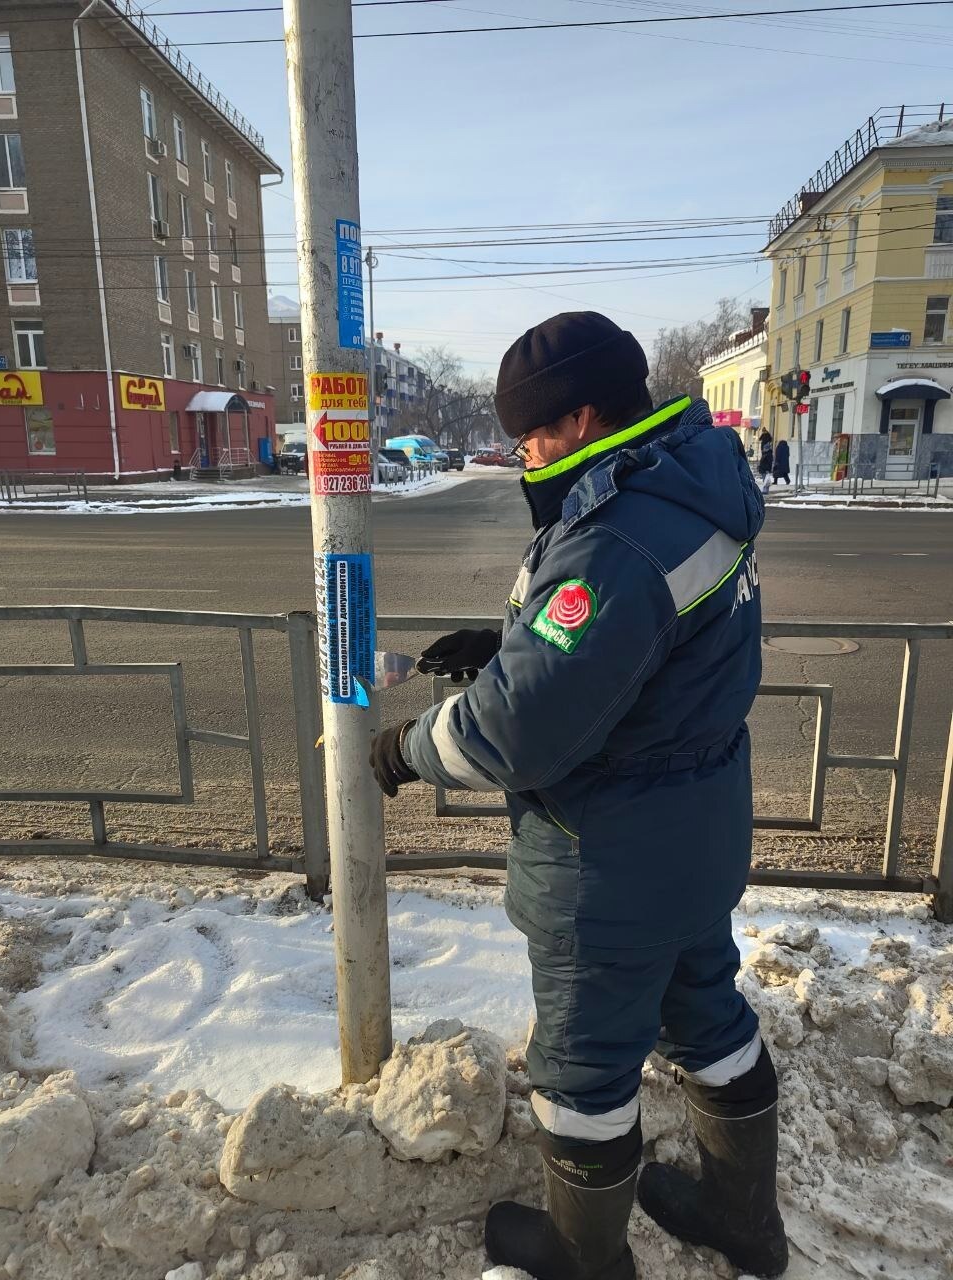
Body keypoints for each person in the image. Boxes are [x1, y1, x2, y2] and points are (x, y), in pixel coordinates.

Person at [370, 312, 787, 1280]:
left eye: (533, 436)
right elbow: (634, 649)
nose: (524, 455)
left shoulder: (616, 539)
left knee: (585, 1065)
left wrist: (409, 748)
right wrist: (511, 646)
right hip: (697, 825)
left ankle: (582, 1257)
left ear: (586, 417)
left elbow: (519, 729)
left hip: (610, 855)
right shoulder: (692, 478)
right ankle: (742, 1218)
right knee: (707, 1010)